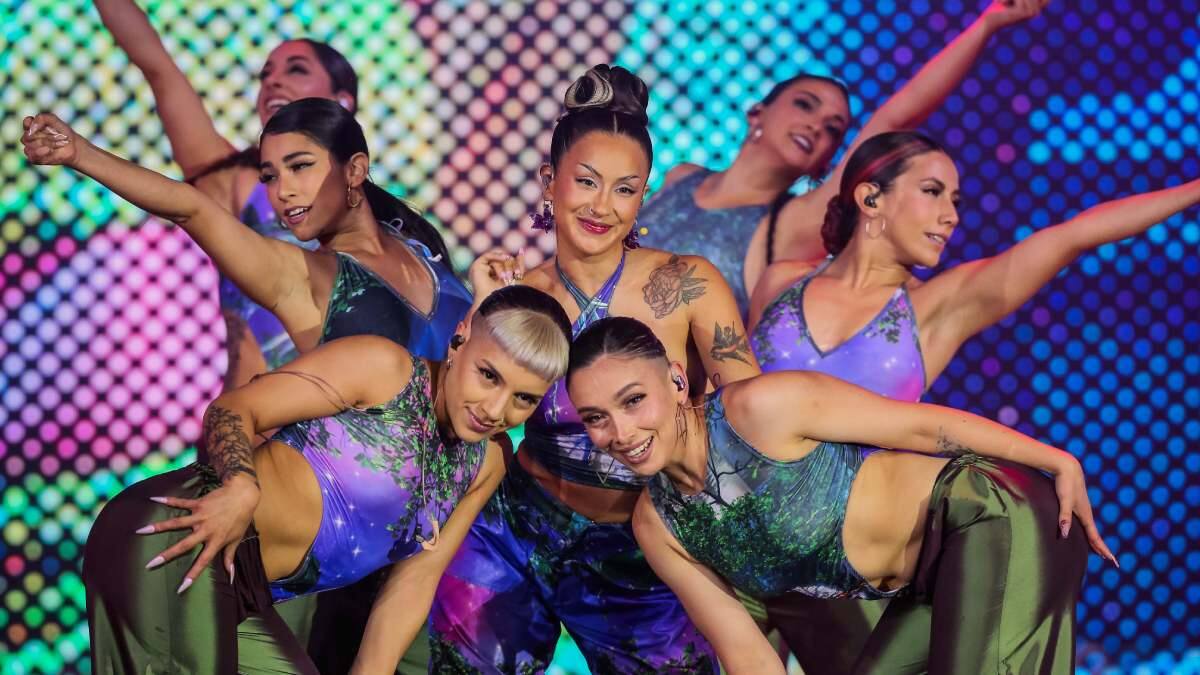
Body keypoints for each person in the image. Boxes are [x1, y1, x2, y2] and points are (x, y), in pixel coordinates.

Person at [24, 95, 468, 671]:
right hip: (302, 537)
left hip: (399, 546)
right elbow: (193, 211)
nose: (282, 191)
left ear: (355, 169)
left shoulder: (426, 253)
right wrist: (80, 154)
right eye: (270, 175)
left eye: (300, 166)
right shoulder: (303, 276)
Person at [428, 65, 759, 673]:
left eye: (625, 189)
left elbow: (751, 420)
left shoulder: (686, 285)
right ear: (548, 181)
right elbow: (456, 411)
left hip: (640, 547)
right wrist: (482, 308)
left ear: (643, 196)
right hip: (515, 532)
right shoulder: (520, 297)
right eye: (586, 182)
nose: (602, 206)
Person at [566, 315, 1118, 674]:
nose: (620, 432)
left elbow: (921, 428)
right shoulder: (657, 524)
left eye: (633, 401)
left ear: (675, 381)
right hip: (928, 586)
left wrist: (1056, 460)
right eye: (595, 418)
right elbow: (747, 655)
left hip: (990, 517)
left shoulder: (760, 409)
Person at [82, 285, 572, 673]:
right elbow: (234, 409)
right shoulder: (385, 370)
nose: (495, 409)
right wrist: (241, 485)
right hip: (182, 536)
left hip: (247, 592)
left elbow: (415, 581)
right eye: (489, 375)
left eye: (523, 399)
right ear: (460, 336)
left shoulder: (486, 462)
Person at [638, 0, 1051, 318]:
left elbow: (895, 117)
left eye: (833, 129)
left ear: (827, 162)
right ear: (757, 114)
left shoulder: (791, 226)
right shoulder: (681, 176)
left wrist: (987, 24)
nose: (817, 125)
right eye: (805, 104)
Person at [95, 0, 377, 387]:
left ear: (342, 101)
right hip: (254, 414)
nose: (272, 82)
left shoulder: (381, 215)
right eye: (266, 74)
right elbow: (159, 68)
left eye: (296, 69)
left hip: (350, 413)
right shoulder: (235, 180)